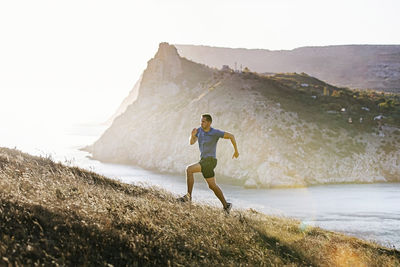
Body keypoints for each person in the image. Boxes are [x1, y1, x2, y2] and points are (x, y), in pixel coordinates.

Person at [178, 114, 239, 214]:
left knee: (189, 169)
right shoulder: (199, 131)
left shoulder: (215, 132)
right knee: (212, 186)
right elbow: (191, 142)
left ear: (209, 123)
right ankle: (226, 205)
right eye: (201, 121)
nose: (201, 123)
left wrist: (236, 151)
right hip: (203, 161)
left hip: (210, 161)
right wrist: (192, 135)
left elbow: (231, 136)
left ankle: (188, 196)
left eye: (204, 122)